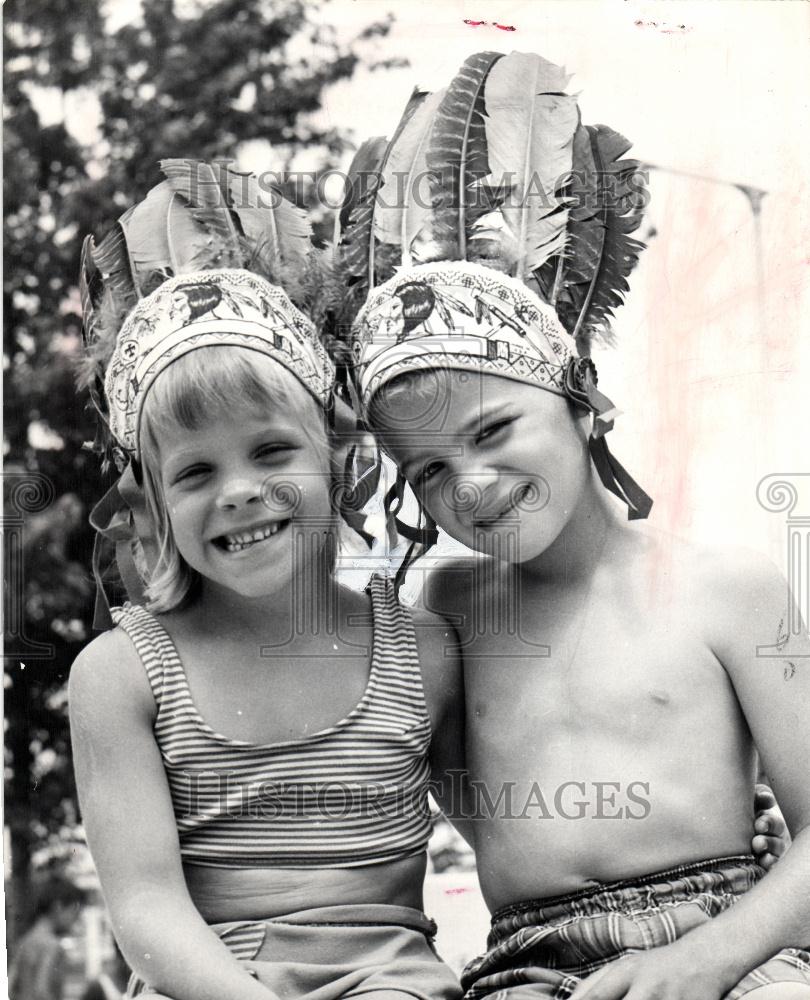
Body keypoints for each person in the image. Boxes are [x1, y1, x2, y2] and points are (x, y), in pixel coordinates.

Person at [346, 50, 810, 1000]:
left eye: (492, 430)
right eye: (428, 469)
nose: (468, 485)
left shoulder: (728, 587)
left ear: (584, 401)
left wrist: (701, 960)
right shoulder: (450, 608)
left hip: (735, 942)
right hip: (529, 962)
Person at [69, 162, 463, 1000]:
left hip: (385, 981)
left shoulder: (422, 653)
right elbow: (145, 909)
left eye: (272, 450)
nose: (238, 490)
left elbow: (507, 836)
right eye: (195, 471)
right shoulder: (122, 675)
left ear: (341, 455)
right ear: (153, 503)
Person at [8, 876, 85, 1000]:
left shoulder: (26, 941)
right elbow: (42, 991)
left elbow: (10, 987)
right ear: (58, 906)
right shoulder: (53, 946)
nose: (75, 919)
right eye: (73, 911)